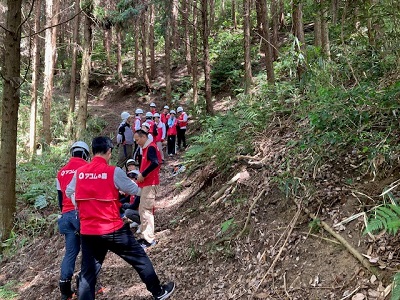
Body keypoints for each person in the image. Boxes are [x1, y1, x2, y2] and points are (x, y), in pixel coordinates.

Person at [66, 136, 175, 300]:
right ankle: (158, 292)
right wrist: (144, 189)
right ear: (109, 152)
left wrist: (79, 204)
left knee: (88, 273)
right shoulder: (113, 171)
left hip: (88, 231)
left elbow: (69, 191)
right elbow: (134, 190)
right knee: (139, 258)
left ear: (92, 152)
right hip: (112, 229)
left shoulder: (80, 173)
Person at [57, 141, 90, 300]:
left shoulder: (61, 172)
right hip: (81, 214)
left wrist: (64, 213)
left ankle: (65, 289)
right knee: (89, 249)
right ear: (85, 153)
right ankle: (86, 283)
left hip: (66, 215)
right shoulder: (85, 169)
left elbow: (59, 197)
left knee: (70, 252)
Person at [134, 130, 162, 248]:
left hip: (150, 183)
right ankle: (145, 236)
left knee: (146, 211)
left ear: (144, 137)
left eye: (137, 140)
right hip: (147, 183)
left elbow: (155, 163)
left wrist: (143, 174)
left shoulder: (150, 147)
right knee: (142, 210)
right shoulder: (146, 148)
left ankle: (149, 239)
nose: (137, 142)